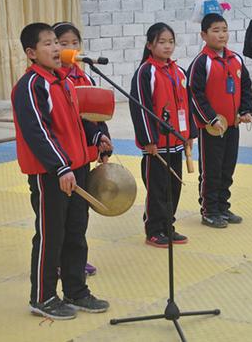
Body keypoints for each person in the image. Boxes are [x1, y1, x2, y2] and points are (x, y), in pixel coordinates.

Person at [12, 23, 110, 320]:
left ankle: (76, 291)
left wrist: (96, 138)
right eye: (48, 44)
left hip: (77, 169)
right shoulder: (30, 86)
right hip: (51, 174)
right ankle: (43, 296)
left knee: (75, 233)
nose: (56, 48)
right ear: (31, 53)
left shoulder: (65, 81)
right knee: (51, 235)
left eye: (57, 42)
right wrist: (61, 167)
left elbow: (78, 121)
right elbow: (38, 132)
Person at [52, 21, 113, 277]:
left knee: (79, 214)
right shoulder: (51, 80)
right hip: (60, 161)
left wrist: (102, 140)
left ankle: (75, 260)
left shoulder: (84, 76)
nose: (70, 48)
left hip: (82, 157)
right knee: (58, 218)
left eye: (74, 43)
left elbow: (94, 116)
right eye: (62, 43)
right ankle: (55, 260)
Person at [129, 23, 197, 247]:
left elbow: (187, 105)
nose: (167, 46)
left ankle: (168, 225)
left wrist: (189, 134)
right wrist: (148, 140)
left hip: (176, 142)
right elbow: (140, 107)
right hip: (156, 146)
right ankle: (154, 230)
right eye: (162, 42)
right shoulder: (145, 72)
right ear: (150, 45)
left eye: (171, 42)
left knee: (174, 186)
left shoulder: (179, 72)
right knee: (157, 189)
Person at [188, 13, 252, 228]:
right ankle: (209, 210)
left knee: (228, 168)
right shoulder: (201, 62)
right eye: (216, 31)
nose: (221, 35)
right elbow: (194, 94)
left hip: (232, 125)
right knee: (211, 170)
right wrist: (210, 118)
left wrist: (246, 110)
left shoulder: (236, 59)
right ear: (204, 35)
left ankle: (223, 206)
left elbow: (245, 87)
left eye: (224, 30)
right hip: (211, 129)